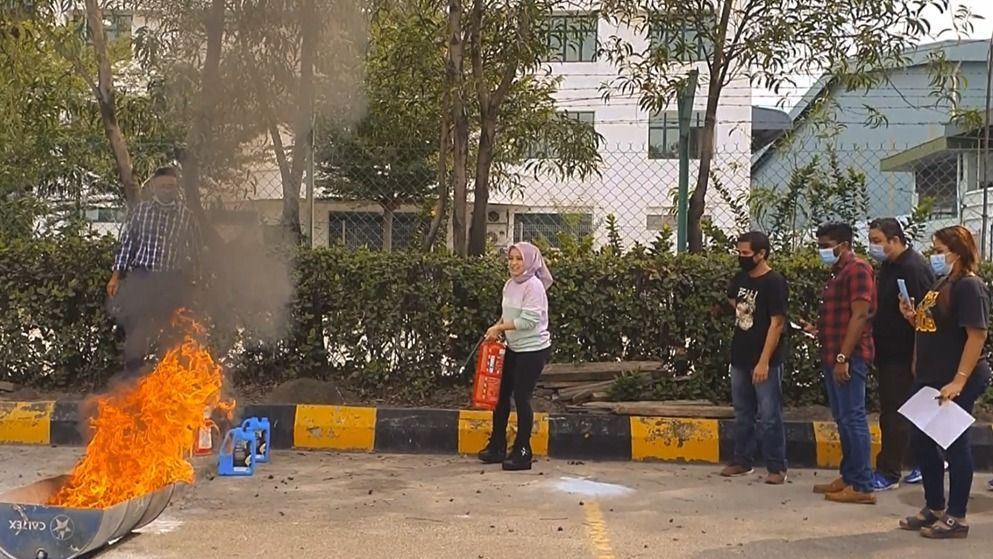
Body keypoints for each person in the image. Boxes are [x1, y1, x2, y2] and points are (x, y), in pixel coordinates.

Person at [897, 226, 990, 539]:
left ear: (957, 251)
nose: (934, 255)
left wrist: (958, 381)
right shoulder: (942, 283)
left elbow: (977, 334)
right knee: (921, 441)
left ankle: (957, 517)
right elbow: (936, 325)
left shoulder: (969, 286)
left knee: (954, 443)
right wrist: (913, 317)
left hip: (955, 378)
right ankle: (934, 506)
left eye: (939, 250)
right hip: (929, 377)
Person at [106, 166, 202, 379]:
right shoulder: (141, 212)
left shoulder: (187, 217)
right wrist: (116, 277)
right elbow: (127, 246)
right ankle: (133, 376)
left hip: (172, 280)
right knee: (138, 327)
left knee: (171, 330)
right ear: (153, 187)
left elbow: (194, 252)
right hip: (143, 277)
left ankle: (167, 376)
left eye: (172, 186)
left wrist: (194, 280)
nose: (168, 190)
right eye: (163, 186)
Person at [807, 222, 877, 504]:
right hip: (835, 354)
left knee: (853, 418)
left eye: (826, 245)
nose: (822, 251)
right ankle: (849, 477)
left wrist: (842, 358)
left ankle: (862, 485)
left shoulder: (858, 269)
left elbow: (860, 316)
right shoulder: (839, 272)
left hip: (848, 357)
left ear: (844, 245)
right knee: (843, 419)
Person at [867, 218, 935, 491]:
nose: (872, 246)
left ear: (894, 240)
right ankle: (925, 461)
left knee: (894, 413)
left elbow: (926, 318)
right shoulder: (890, 266)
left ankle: (889, 471)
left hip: (904, 353)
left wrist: (919, 356)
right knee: (910, 410)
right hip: (890, 351)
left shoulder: (913, 269)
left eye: (877, 241)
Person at [720, 231, 789, 485]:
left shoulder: (774, 282)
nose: (741, 257)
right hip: (740, 354)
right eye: (739, 252)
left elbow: (777, 323)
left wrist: (764, 361)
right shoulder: (740, 278)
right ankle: (742, 460)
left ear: (761, 254)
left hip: (764, 358)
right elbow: (732, 298)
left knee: (770, 415)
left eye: (746, 253)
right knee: (743, 412)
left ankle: (776, 466)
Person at [477, 242, 553, 471]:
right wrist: (496, 326)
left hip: (532, 350)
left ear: (530, 261)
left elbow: (528, 322)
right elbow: (507, 314)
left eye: (519, 259)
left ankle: (522, 451)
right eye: (511, 258)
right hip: (513, 347)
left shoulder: (534, 286)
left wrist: (500, 330)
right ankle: (497, 446)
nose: (514, 263)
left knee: (522, 397)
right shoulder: (510, 284)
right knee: (500, 396)